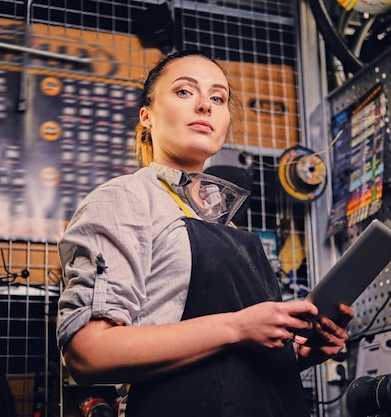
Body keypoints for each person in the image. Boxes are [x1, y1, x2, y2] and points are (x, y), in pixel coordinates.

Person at [56, 49, 354, 417]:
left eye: (218, 97)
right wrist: (238, 326)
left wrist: (293, 355)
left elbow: (227, 371)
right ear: (147, 117)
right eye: (184, 92)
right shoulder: (125, 200)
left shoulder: (224, 225)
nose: (204, 106)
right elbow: (88, 354)